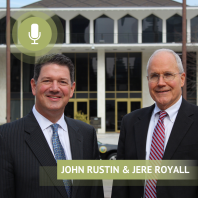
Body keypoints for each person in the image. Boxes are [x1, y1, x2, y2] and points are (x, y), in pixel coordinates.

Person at [0, 54, 104, 198]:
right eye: (47, 81)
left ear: (72, 89)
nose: (55, 88)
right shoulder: (6, 136)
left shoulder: (86, 134)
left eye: (62, 82)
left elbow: (94, 192)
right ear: (34, 86)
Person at [111, 49, 198, 198]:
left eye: (168, 75)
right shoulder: (130, 122)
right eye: (154, 76)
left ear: (182, 79)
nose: (160, 83)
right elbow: (121, 183)